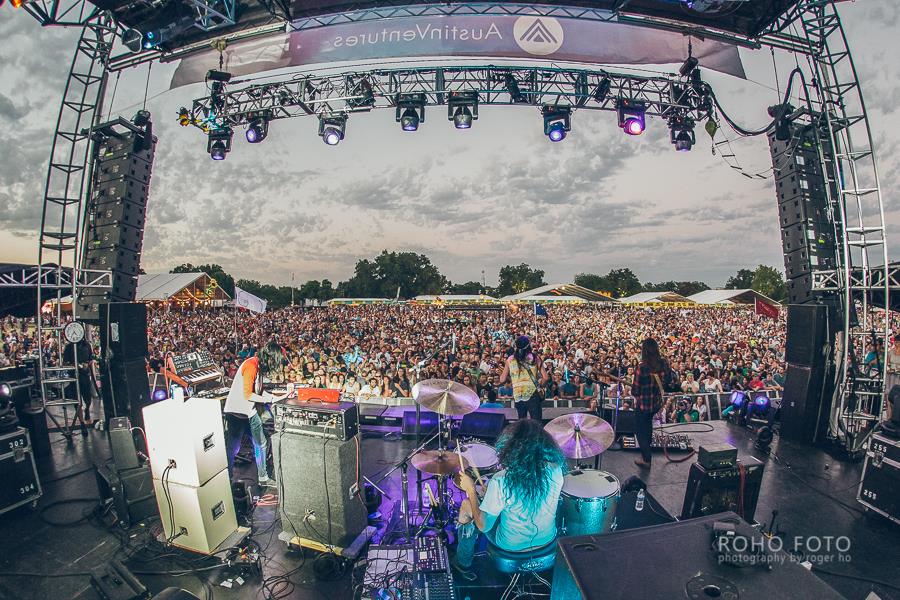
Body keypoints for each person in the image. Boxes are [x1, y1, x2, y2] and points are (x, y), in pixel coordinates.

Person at [453, 419, 567, 573]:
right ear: (544, 444)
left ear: (511, 448)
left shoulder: (501, 480)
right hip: (547, 540)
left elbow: (483, 525)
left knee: (467, 505)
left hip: (511, 546)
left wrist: (471, 489)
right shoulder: (556, 470)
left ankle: (463, 562)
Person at [224, 356, 273, 487]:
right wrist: (269, 400)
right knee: (233, 448)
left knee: (261, 444)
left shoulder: (259, 367)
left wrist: (277, 397)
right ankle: (227, 479)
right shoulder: (251, 365)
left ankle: (263, 477)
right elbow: (248, 395)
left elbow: (259, 391)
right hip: (237, 412)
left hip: (250, 412)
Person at [630, 338, 673, 469]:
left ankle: (646, 460)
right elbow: (668, 381)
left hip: (644, 405)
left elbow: (635, 391)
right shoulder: (664, 363)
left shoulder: (641, 367)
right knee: (648, 426)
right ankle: (645, 455)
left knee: (640, 431)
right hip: (656, 404)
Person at [498, 336, 549, 420]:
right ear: (528, 345)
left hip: (518, 395)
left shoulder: (510, 360)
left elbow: (502, 380)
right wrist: (540, 386)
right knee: (536, 423)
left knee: (522, 423)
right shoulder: (535, 358)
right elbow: (546, 378)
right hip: (532, 393)